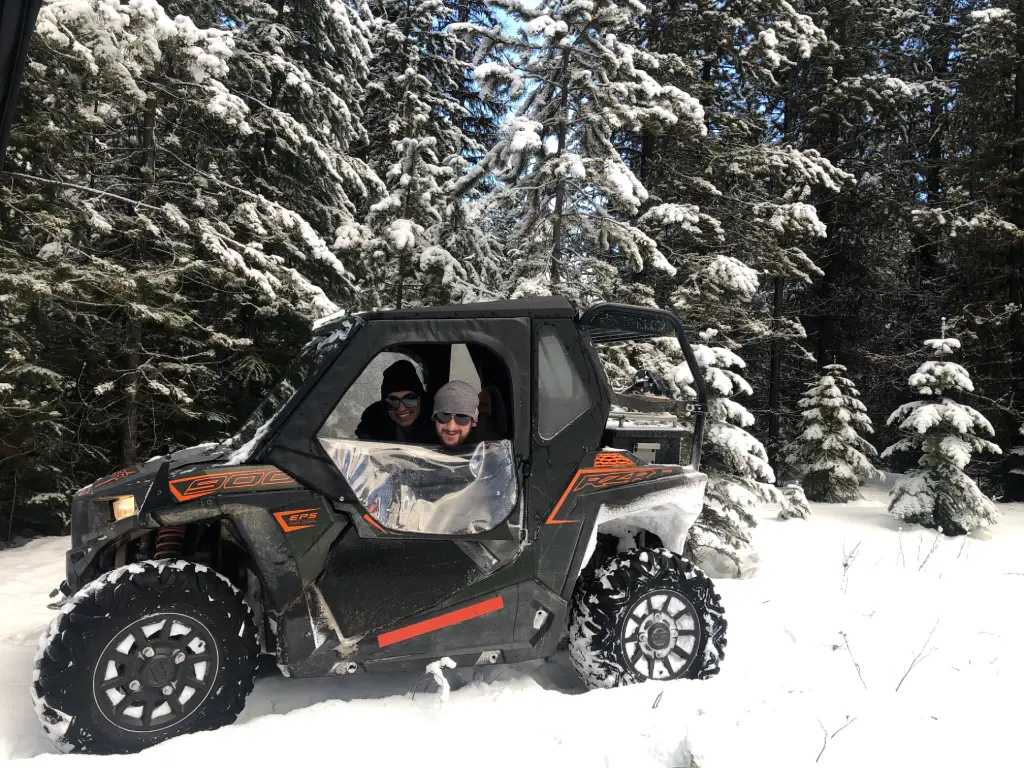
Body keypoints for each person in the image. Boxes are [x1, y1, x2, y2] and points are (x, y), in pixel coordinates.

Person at [355, 360, 434, 443]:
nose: (401, 408)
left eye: (409, 399)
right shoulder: (374, 426)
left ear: (420, 399)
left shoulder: (441, 426)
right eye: (393, 401)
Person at [432, 380, 481, 449]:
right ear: (434, 418)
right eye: (444, 415)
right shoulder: (418, 446)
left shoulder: (487, 453)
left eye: (462, 417)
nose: (451, 427)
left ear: (473, 421)